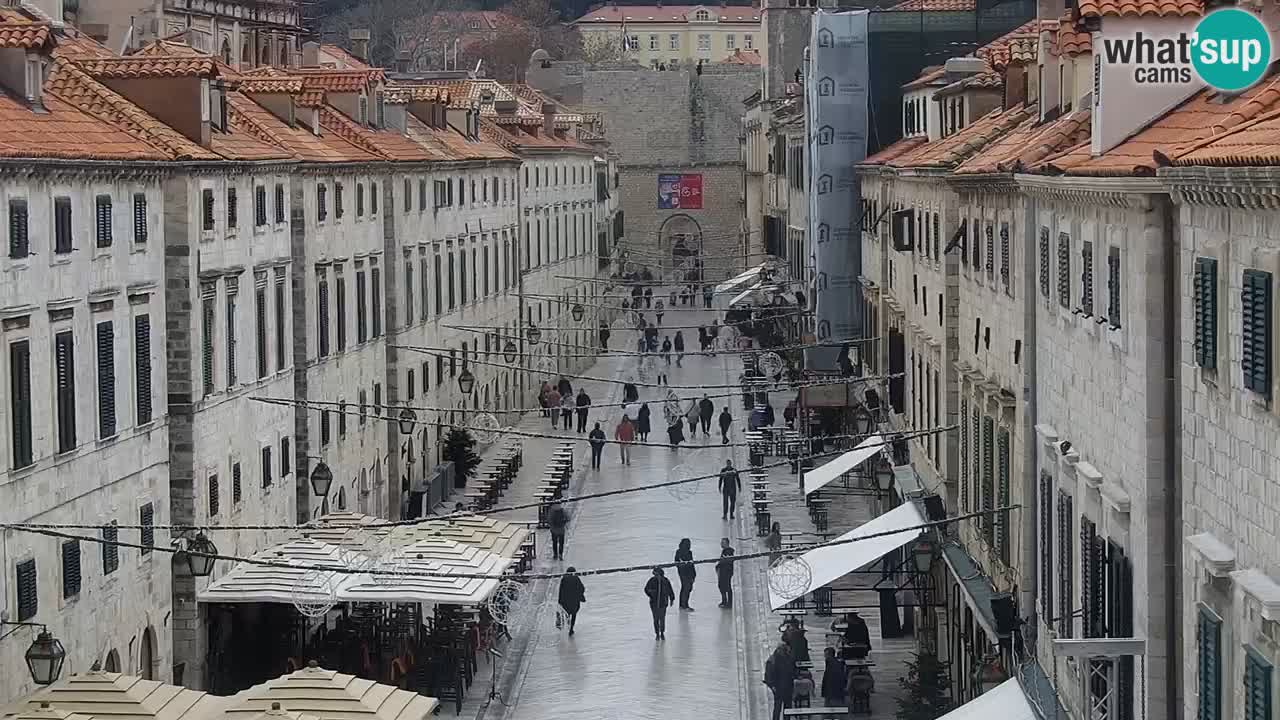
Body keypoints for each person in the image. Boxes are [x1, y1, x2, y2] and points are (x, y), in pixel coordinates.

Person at [765, 642, 796, 720]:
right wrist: (772, 686)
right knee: (778, 708)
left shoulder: (788, 658)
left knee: (787, 708)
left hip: (788, 687)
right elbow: (768, 675)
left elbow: (793, 670)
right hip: (779, 688)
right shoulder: (773, 660)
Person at [644, 567, 676, 639]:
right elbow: (646, 589)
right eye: (655, 574)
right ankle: (657, 633)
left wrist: (672, 598)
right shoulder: (652, 580)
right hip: (654, 603)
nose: (656, 576)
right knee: (656, 619)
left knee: (662, 618)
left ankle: (662, 632)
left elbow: (670, 590)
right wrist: (651, 593)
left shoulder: (665, 581)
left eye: (657, 574)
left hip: (663, 603)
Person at [557, 567, 586, 636]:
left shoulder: (564, 579)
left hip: (566, 600)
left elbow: (561, 590)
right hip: (574, 600)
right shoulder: (576, 578)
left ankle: (568, 623)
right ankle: (571, 629)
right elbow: (582, 588)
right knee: (574, 614)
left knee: (567, 613)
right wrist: (579, 595)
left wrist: (560, 601)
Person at [674, 538, 696, 610]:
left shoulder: (689, 552)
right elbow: (677, 562)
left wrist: (693, 574)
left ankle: (683, 604)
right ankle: (684, 605)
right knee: (686, 588)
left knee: (686, 588)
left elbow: (691, 563)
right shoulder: (679, 552)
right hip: (684, 573)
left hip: (688, 573)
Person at [716, 538, 734, 607]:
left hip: (726, 572)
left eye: (723, 543)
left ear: (727, 543)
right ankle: (725, 601)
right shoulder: (725, 551)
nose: (721, 544)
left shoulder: (728, 552)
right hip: (724, 571)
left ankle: (727, 602)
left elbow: (726, 562)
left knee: (725, 586)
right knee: (723, 586)